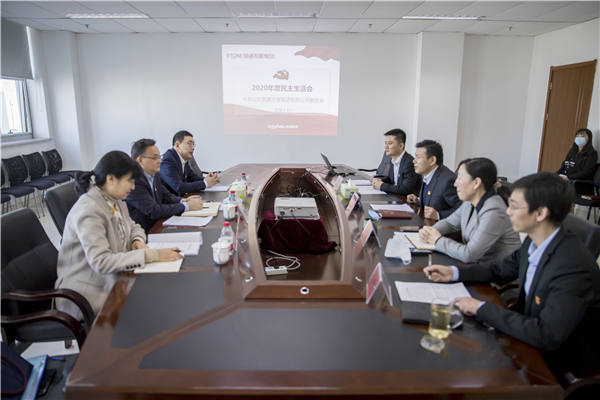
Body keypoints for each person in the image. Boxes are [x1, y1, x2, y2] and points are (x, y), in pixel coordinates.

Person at [424, 172, 600, 382]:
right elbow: (499, 270)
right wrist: (454, 272)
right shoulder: (535, 241)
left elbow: (547, 335)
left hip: (559, 364)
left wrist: (481, 308)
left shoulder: (572, 266)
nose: (508, 212)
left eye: (514, 206)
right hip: (525, 335)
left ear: (540, 213)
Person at [55, 151, 183, 320]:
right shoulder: (89, 210)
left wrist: (137, 239)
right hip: (88, 292)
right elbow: (101, 262)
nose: (133, 187)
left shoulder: (114, 199)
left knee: (162, 296)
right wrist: (151, 255)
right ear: (111, 179)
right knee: (155, 308)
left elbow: (134, 226)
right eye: (130, 181)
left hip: (114, 278)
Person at [419, 158, 521, 264]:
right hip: (479, 266)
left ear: (476, 183)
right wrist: (429, 232)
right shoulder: (469, 202)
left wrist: (437, 240)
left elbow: (469, 254)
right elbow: (450, 223)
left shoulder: (494, 210)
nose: (455, 184)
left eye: (459, 178)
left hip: (497, 271)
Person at [125, 138, 204, 233]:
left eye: (159, 157)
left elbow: (165, 196)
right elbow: (154, 210)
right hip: (143, 233)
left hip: (158, 226)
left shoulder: (154, 174)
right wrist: (186, 206)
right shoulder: (133, 182)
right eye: (155, 158)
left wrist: (183, 200)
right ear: (141, 160)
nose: (160, 161)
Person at [406, 140, 461, 220]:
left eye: (418, 157)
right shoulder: (428, 174)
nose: (414, 161)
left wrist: (439, 215)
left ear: (432, 160)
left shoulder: (448, 180)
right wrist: (418, 200)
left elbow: (462, 210)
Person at [159, 130, 220, 196]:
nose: (193, 148)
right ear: (177, 146)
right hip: (171, 200)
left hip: (182, 198)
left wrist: (208, 179)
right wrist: (205, 183)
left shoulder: (183, 159)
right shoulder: (167, 161)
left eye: (193, 144)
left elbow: (192, 178)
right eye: (190, 144)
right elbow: (179, 187)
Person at [372, 129, 419, 195]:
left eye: (389, 143)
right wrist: (380, 181)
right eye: (385, 143)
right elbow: (391, 179)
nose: (386, 147)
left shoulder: (410, 163)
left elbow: (405, 189)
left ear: (401, 146)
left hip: (405, 199)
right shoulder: (393, 160)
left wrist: (382, 186)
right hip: (395, 196)